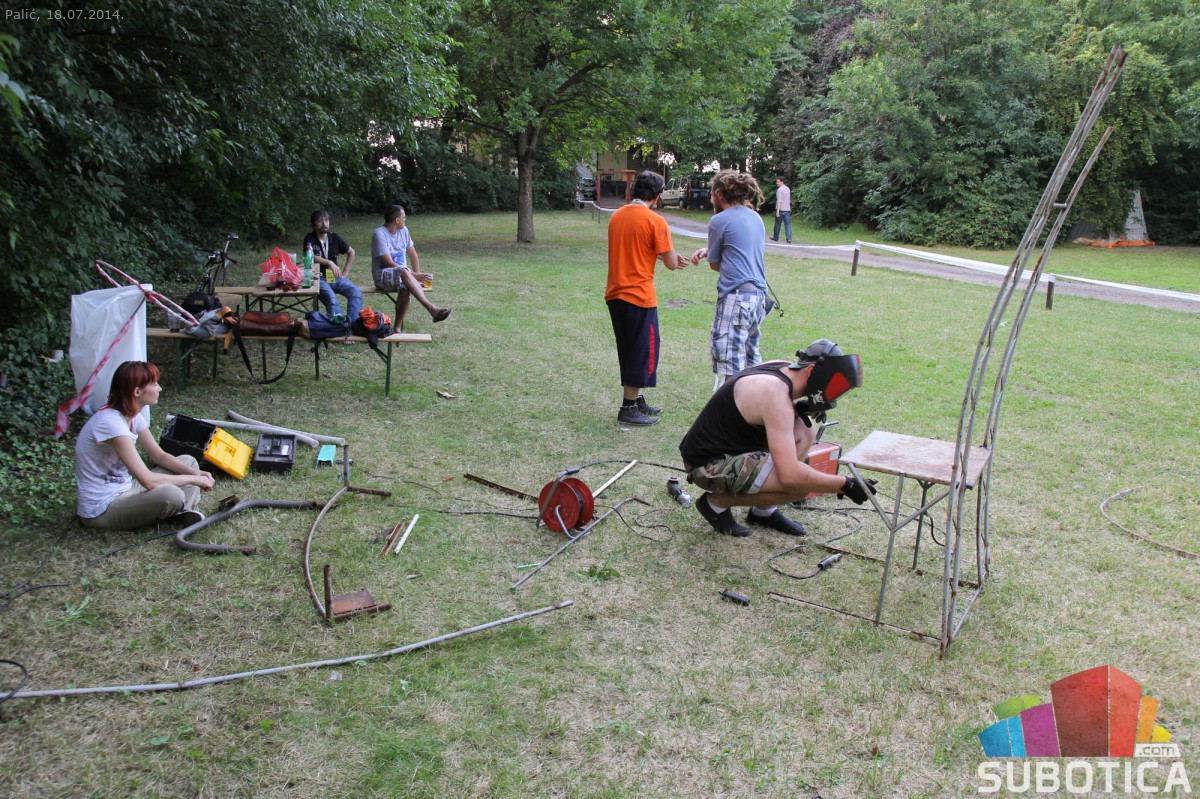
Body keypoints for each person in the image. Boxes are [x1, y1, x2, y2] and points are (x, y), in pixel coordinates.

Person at [678, 340, 877, 537]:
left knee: (805, 429)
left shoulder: (784, 369)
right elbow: (791, 476)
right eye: (832, 386)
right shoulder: (775, 394)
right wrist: (845, 484)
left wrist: (803, 407)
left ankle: (763, 511)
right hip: (706, 465)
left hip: (729, 446)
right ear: (811, 371)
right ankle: (715, 504)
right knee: (798, 487)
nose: (832, 393)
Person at [75, 361, 214, 531]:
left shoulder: (132, 416)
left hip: (126, 489)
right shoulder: (111, 423)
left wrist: (195, 473)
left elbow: (159, 456)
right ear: (137, 392)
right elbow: (147, 481)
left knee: (188, 461)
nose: (160, 389)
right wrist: (193, 479)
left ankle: (182, 512)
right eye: (154, 384)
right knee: (172, 494)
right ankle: (179, 510)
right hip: (102, 509)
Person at [605, 170, 690, 426]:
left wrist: (661, 255)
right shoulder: (656, 221)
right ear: (658, 195)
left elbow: (636, 249)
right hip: (640, 295)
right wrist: (673, 257)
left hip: (615, 293)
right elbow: (671, 264)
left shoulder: (616, 216)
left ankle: (636, 399)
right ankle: (628, 407)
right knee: (643, 350)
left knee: (629, 348)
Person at [690, 170, 770, 389]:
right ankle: (754, 405)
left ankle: (730, 407)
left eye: (711, 194)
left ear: (718, 193)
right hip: (758, 298)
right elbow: (741, 251)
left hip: (736, 298)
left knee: (731, 361)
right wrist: (708, 250)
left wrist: (711, 254)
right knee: (751, 359)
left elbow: (716, 265)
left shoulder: (719, 220)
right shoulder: (755, 217)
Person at [370, 205, 451, 328]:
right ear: (397, 220)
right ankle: (431, 309)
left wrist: (416, 276)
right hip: (382, 275)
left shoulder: (404, 231)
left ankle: (397, 328)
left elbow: (412, 254)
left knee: (405, 287)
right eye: (404, 217)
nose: (405, 219)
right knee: (404, 273)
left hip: (404, 275)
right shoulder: (379, 234)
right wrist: (414, 276)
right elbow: (388, 262)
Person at [302, 209, 362, 322]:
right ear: (313, 225)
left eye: (326, 220)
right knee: (332, 299)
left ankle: (353, 326)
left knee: (356, 292)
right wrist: (329, 262)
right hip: (318, 278)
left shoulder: (334, 237)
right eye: (320, 221)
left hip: (335, 278)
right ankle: (339, 326)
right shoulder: (309, 238)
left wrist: (345, 272)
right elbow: (309, 256)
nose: (324, 223)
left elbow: (351, 252)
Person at [771, 177, 792, 244]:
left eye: (778, 182)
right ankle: (789, 238)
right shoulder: (788, 189)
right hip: (787, 209)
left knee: (777, 224)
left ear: (782, 182)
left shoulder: (779, 190)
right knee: (787, 225)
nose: (777, 183)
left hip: (781, 210)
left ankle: (775, 237)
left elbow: (779, 201)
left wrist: (777, 211)